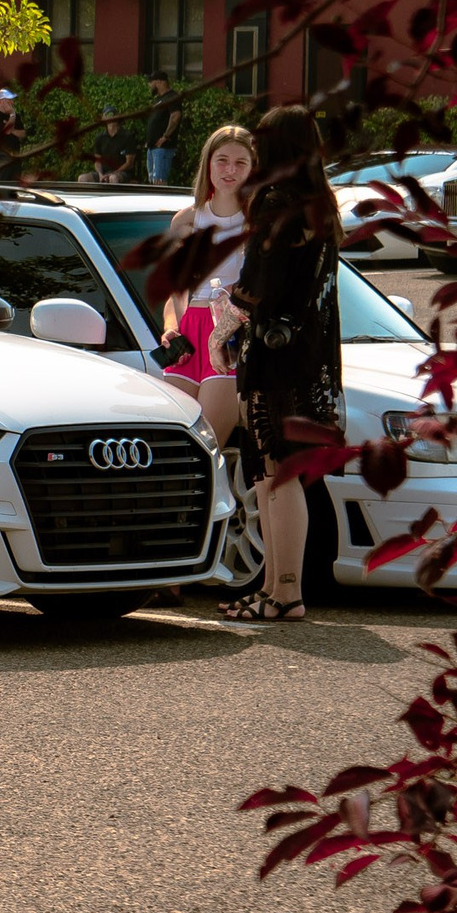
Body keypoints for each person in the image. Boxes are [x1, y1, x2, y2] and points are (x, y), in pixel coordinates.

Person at [220, 105, 343, 623]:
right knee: (275, 475)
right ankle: (274, 589)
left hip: (275, 360)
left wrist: (226, 312)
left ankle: (284, 592)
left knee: (276, 475)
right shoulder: (322, 206)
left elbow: (257, 288)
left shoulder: (276, 202)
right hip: (310, 360)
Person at [157, 124, 252, 449]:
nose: (230, 170)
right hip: (187, 340)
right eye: (222, 160)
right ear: (208, 164)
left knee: (206, 447)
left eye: (241, 163)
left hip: (229, 337)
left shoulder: (256, 224)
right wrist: (171, 329)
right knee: (174, 447)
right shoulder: (184, 221)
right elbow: (176, 292)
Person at [144, 72, 180, 184]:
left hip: (163, 147)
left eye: (151, 83)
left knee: (159, 180)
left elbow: (175, 116)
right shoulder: (159, 99)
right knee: (152, 180)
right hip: (152, 146)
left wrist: (165, 136)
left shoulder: (172, 97)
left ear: (159, 82)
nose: (150, 86)